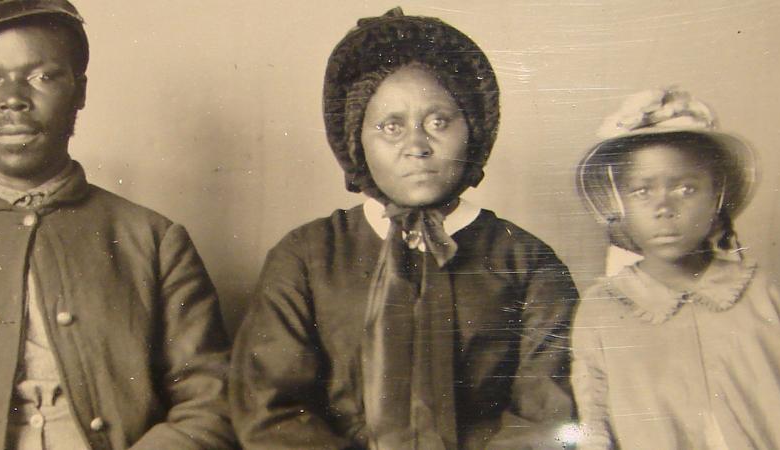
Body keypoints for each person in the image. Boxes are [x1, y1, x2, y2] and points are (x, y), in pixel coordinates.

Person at [230, 8, 579, 450]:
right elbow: (271, 411)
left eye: (438, 122)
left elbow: (545, 415)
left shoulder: (527, 262)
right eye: (391, 127)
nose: (416, 146)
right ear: (357, 140)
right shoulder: (306, 257)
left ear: (473, 130)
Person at [0, 1, 235, 449]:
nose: (12, 98)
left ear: (80, 92)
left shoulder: (152, 239)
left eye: (41, 76)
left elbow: (210, 404)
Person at [571, 88, 780, 449]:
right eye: (641, 191)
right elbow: (594, 423)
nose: (663, 207)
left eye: (686, 188)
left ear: (717, 199)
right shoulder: (603, 309)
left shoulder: (762, 294)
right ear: (619, 204)